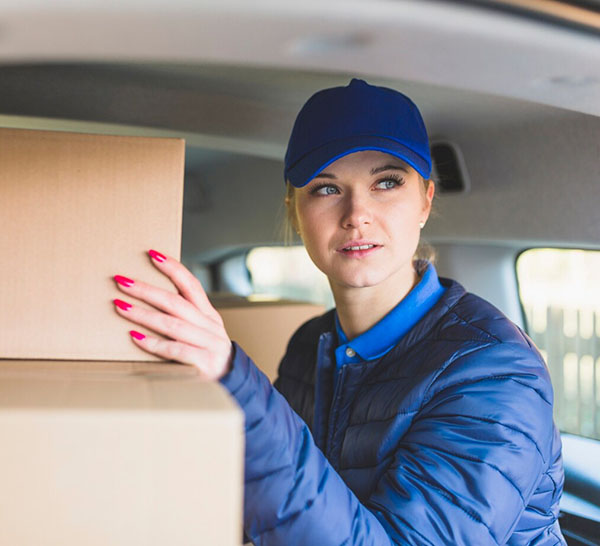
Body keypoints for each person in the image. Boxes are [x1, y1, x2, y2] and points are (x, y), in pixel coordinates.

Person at [112, 79, 566, 545]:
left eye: (386, 182)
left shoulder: (494, 373)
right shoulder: (310, 344)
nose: (356, 214)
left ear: (426, 200)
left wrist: (237, 382)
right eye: (327, 189)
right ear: (295, 210)